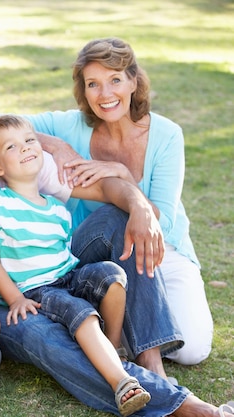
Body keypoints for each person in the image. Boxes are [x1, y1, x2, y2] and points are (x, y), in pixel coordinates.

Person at [0, 56, 232, 416]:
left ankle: (150, 359)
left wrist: (137, 203)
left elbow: (104, 189)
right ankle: (182, 406)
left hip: (51, 269)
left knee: (117, 217)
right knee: (45, 338)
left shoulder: (15, 150)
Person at [24, 37, 213, 366]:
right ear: (83, 91)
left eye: (115, 80)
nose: (105, 94)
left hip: (160, 249)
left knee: (192, 349)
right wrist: (56, 145)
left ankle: (129, 327)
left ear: (133, 81)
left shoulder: (167, 135)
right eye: (93, 84)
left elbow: (161, 221)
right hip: (93, 250)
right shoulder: (70, 125)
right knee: (116, 216)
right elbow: (3, 124)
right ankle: (136, 340)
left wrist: (124, 174)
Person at [0, 115, 150, 416]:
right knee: (79, 311)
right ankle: (121, 381)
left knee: (112, 275)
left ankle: (114, 348)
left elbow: (64, 254)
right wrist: (15, 298)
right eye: (12, 147)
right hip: (35, 289)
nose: (26, 148)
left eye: (30, 141)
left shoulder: (57, 208)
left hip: (66, 275)